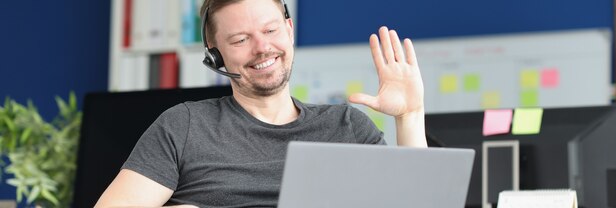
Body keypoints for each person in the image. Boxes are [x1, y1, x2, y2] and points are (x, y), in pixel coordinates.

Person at [95, 0, 427, 207]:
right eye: (240, 40)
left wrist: (410, 117)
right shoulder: (184, 126)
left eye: (270, 30)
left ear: (289, 30)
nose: (262, 48)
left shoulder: (347, 126)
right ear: (215, 52)